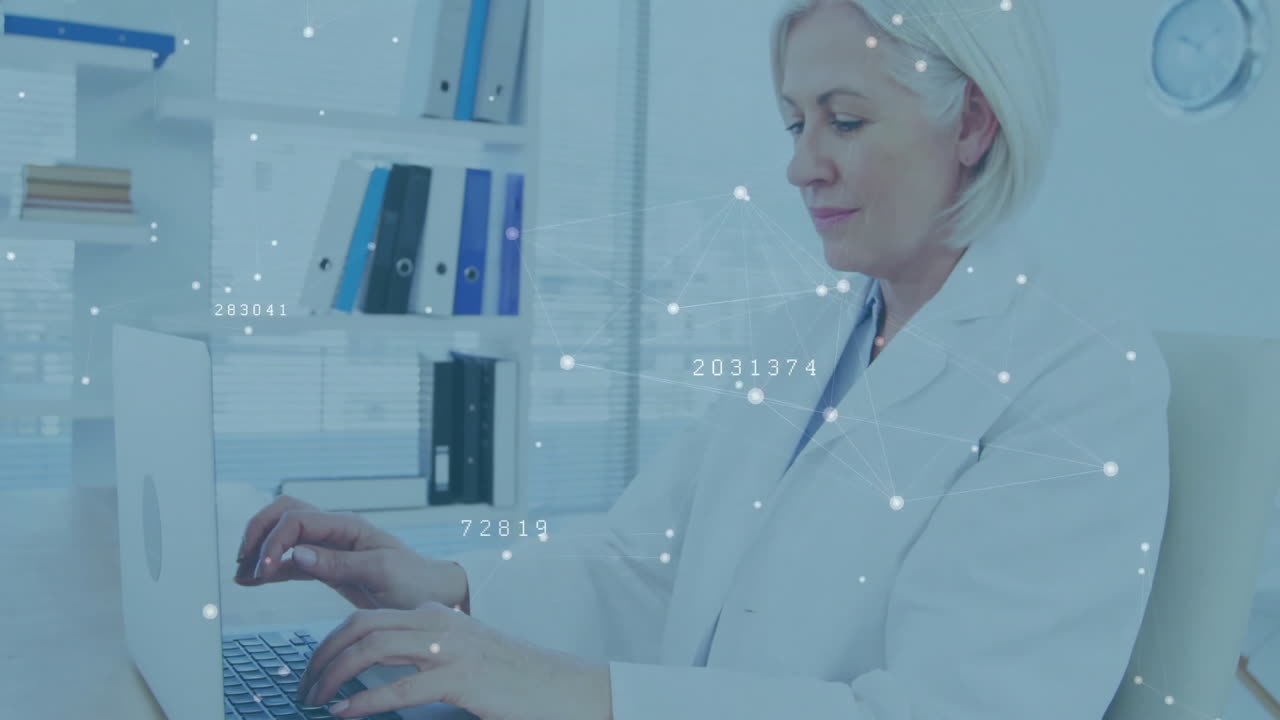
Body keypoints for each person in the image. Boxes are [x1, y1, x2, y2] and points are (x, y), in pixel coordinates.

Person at [234, 0, 1171, 717]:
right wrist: (443, 584)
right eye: (795, 122)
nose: (802, 166)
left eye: (844, 120)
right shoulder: (804, 338)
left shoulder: (1079, 374)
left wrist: (580, 693)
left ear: (972, 124)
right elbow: (646, 564)